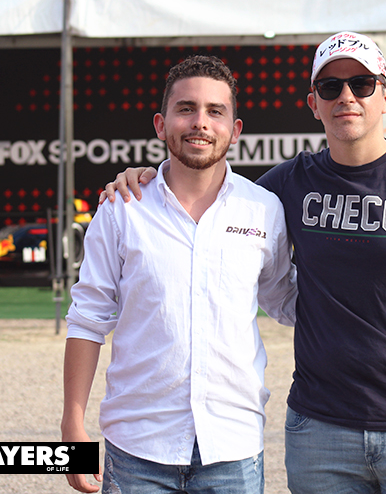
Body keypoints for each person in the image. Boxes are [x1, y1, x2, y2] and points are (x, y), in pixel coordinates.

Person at [102, 31, 386, 494]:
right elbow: (209, 189)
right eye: (330, 86)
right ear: (313, 103)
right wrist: (148, 178)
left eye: (362, 84)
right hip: (320, 433)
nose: (346, 96)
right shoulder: (284, 186)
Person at [62, 55, 298, 494]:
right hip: (137, 448)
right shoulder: (121, 209)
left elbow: (287, 301)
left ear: (235, 130)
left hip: (232, 447)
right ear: (161, 123)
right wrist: (72, 423)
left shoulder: (263, 209)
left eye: (215, 111)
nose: (200, 122)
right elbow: (87, 319)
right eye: (186, 108)